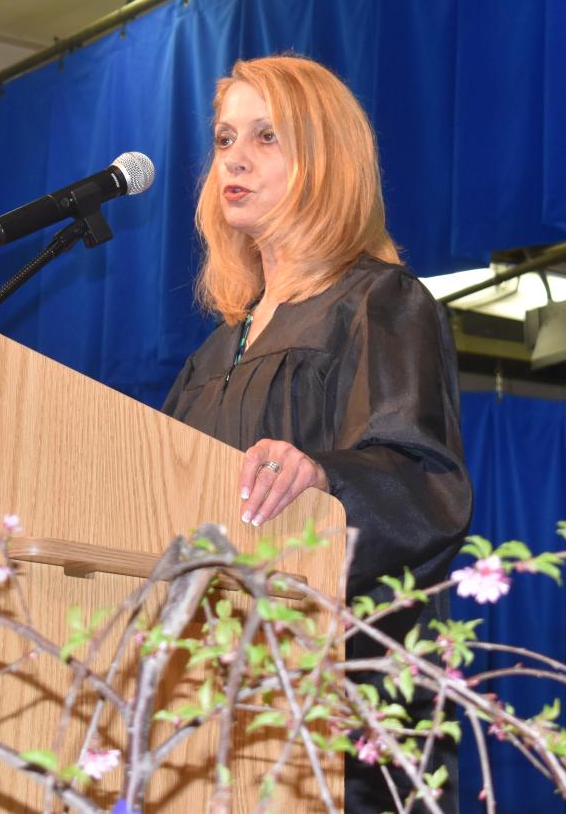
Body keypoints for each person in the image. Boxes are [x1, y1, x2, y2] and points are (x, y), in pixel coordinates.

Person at [162, 54, 474, 813]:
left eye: (267, 136)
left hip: (342, 727)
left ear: (324, 158)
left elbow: (424, 485)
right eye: (226, 136)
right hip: (213, 733)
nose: (234, 156)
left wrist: (325, 479)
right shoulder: (210, 357)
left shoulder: (381, 303)